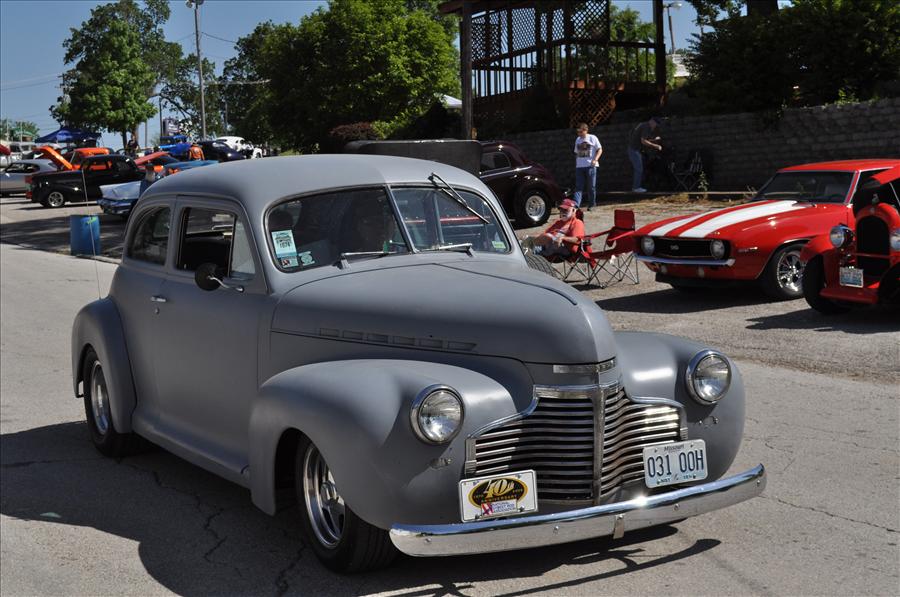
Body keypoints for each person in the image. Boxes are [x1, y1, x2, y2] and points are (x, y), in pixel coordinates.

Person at [572, 123, 602, 210]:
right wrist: (578, 163)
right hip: (579, 167)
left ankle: (592, 204)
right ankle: (576, 205)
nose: (579, 134)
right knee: (578, 187)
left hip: (590, 166)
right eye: (578, 132)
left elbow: (600, 149)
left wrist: (595, 159)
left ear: (586, 130)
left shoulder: (593, 138)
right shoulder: (578, 139)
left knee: (591, 187)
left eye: (581, 132)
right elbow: (576, 152)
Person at [628, 116, 662, 193]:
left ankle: (637, 187)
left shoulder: (643, 125)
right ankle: (636, 188)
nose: (655, 126)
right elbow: (643, 141)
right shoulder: (646, 126)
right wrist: (656, 146)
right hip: (634, 150)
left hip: (634, 150)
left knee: (639, 168)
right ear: (652, 121)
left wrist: (654, 140)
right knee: (639, 169)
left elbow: (643, 139)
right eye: (656, 124)